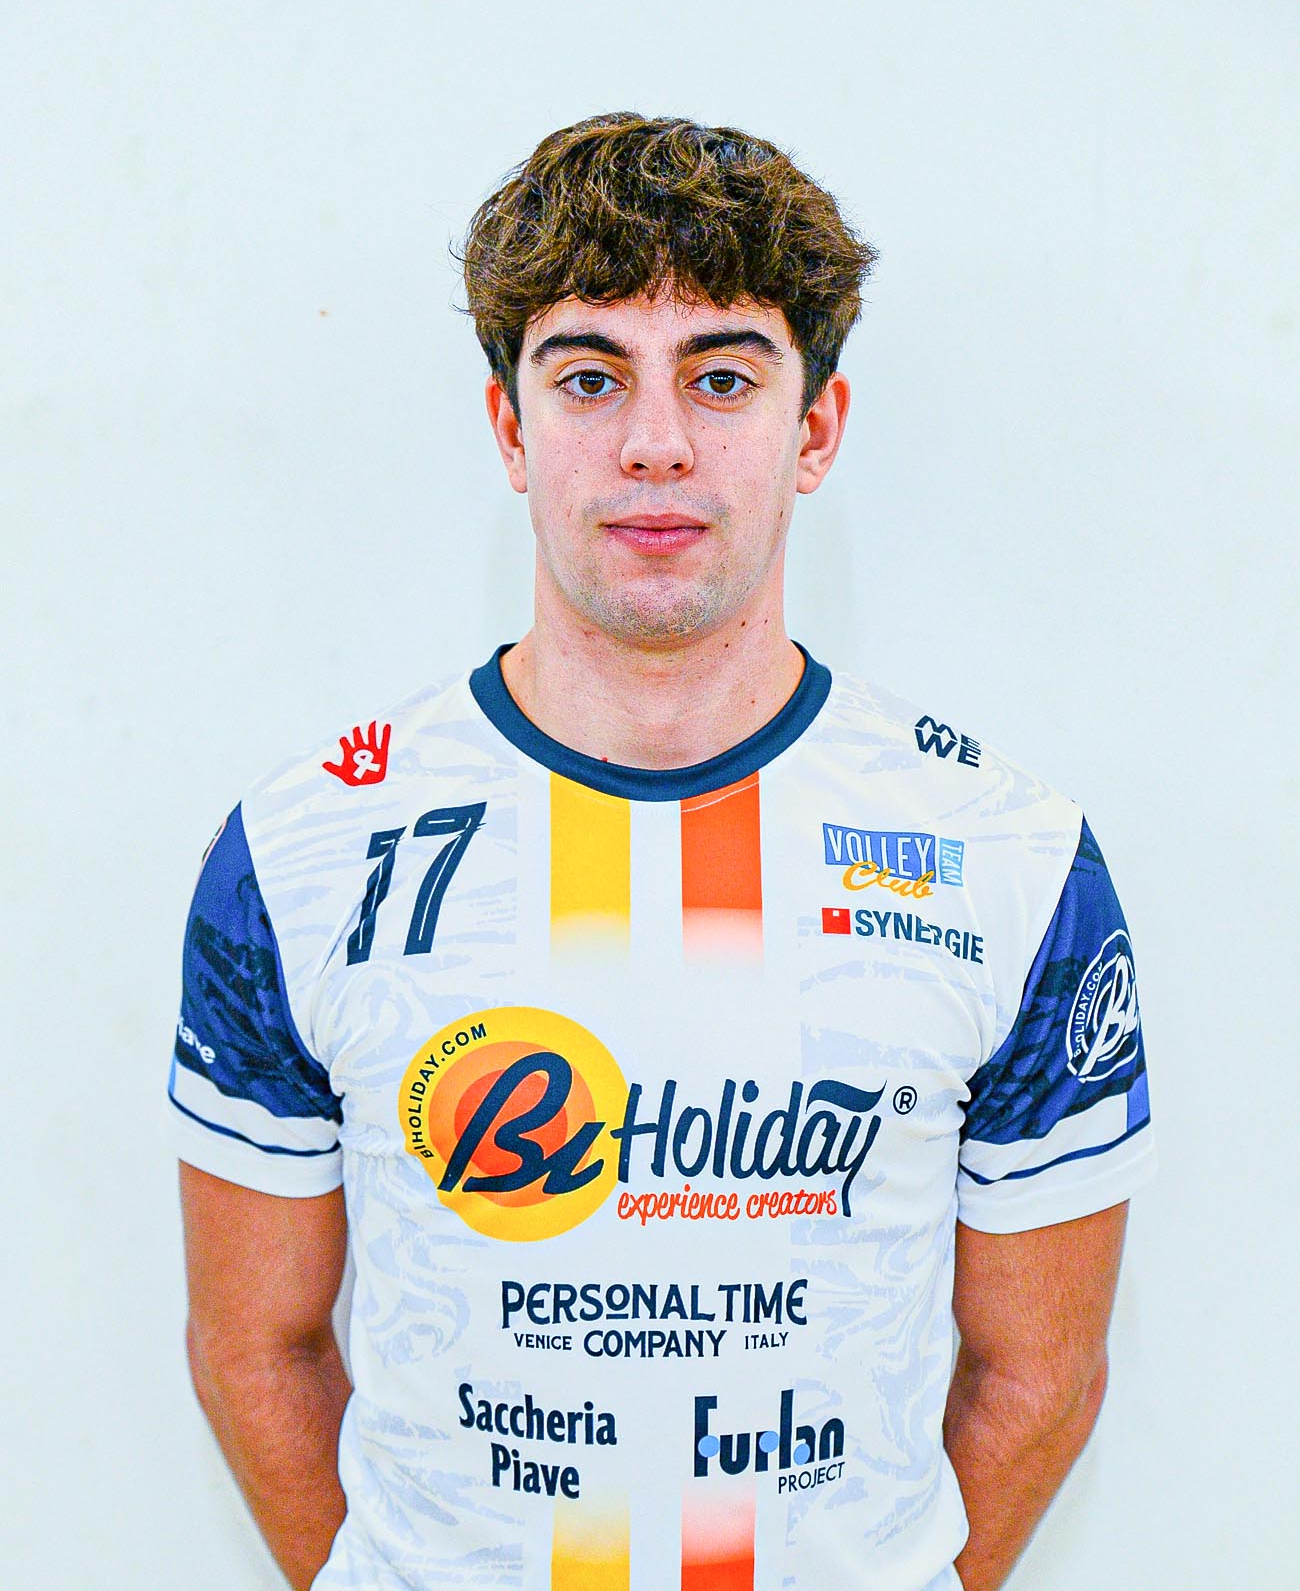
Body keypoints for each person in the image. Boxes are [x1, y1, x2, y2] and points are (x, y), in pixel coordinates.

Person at [172, 113, 1154, 1591]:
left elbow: (1041, 1373)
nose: (655, 442)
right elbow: (257, 1347)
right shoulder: (301, 851)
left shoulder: (1009, 857)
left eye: (722, 377)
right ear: (510, 429)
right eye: (588, 378)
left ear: (815, 429)